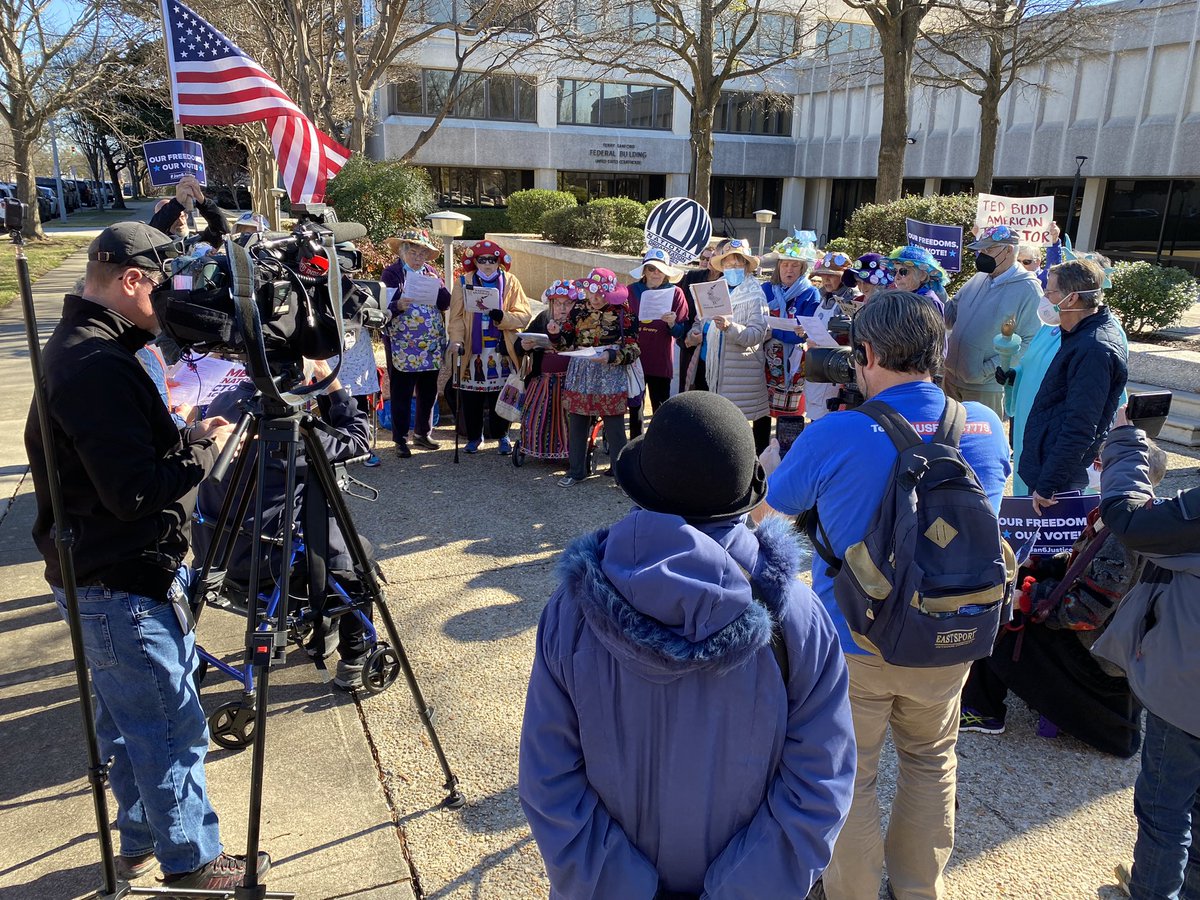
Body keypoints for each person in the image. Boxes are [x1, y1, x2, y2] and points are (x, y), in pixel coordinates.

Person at [519, 390, 855, 900]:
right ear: (747, 496)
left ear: (641, 489)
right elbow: (820, 784)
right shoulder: (798, 617)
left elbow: (548, 781)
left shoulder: (572, 610)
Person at [22, 222, 268, 890]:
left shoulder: (90, 347)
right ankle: (192, 859)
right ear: (132, 280)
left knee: (135, 726)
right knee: (169, 728)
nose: (169, 302)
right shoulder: (96, 364)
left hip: (110, 576)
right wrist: (199, 454)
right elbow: (130, 492)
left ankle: (139, 841)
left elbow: (109, 455)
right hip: (120, 581)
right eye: (164, 285)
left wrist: (178, 433)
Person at [760, 291, 1011, 900]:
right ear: (939, 350)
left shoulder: (840, 431)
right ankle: (918, 889)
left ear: (865, 353)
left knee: (850, 776)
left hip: (856, 638)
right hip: (951, 635)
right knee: (931, 761)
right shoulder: (984, 427)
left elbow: (764, 516)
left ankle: (851, 893)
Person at [959, 437, 1168, 755]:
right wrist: (1039, 565)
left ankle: (983, 710)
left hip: (1100, 652)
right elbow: (1084, 568)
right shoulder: (1137, 514)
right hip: (1116, 634)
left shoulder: (1122, 533)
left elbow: (1085, 612)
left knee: (1001, 612)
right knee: (1025, 578)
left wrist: (1026, 598)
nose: (1097, 468)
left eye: (1106, 463)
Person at [194, 359, 374, 688]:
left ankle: (323, 628)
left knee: (319, 539)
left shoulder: (220, 404)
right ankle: (356, 656)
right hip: (268, 566)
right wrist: (333, 386)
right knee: (355, 553)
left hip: (215, 555)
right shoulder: (291, 431)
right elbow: (360, 440)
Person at [1091, 411, 1200, 900]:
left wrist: (1127, 441)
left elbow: (1131, 520)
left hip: (1187, 687)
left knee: (1164, 809)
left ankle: (1154, 891)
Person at [1020, 258, 1128, 516]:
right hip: (1051, 466)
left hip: (1060, 481)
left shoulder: (1094, 349)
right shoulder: (1079, 335)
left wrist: (1049, 484)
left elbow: (1081, 426)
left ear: (1071, 299)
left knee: (1053, 556)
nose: (1044, 298)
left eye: (1050, 292)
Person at [548, 267, 640, 487]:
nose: (596, 298)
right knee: (577, 421)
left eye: (601, 294)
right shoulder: (578, 308)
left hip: (610, 373)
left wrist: (611, 355)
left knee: (615, 428)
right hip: (581, 370)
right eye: (592, 293)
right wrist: (554, 334)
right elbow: (565, 343)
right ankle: (576, 471)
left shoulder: (622, 311)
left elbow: (634, 348)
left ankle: (622, 477)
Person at [942, 225, 1043, 419]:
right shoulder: (978, 278)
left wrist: (986, 370)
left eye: (989, 250)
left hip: (985, 388)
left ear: (1009, 250)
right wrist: (936, 288)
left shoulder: (1029, 290)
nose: (982, 255)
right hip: (951, 379)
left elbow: (1030, 342)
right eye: (981, 250)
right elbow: (950, 318)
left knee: (977, 445)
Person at [684, 239, 771, 453]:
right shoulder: (713, 290)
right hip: (708, 368)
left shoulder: (755, 295)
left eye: (738, 264)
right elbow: (700, 320)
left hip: (738, 375)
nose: (733, 269)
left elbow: (757, 334)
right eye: (729, 265)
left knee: (734, 430)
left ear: (747, 267)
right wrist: (695, 332)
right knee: (711, 424)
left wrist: (730, 327)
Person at [448, 239, 532, 454]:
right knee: (471, 396)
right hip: (472, 347)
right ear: (475, 261)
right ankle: (475, 437)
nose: (487, 264)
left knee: (502, 394)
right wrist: (456, 339)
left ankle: (502, 435)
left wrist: (504, 317)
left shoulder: (511, 281)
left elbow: (524, 315)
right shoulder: (463, 282)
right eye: (482, 260)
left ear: (499, 262)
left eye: (492, 260)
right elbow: (456, 316)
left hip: (501, 347)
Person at [381, 229, 451, 457]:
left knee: (429, 389)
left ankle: (423, 433)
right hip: (403, 342)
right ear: (402, 252)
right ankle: (400, 439)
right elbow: (382, 307)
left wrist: (438, 285)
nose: (418, 258)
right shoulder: (391, 274)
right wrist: (396, 306)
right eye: (413, 252)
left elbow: (445, 303)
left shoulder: (431, 272)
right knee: (401, 391)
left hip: (430, 341)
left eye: (422, 253)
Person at [627, 247, 689, 436]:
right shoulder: (631, 291)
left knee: (660, 408)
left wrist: (672, 323)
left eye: (660, 269)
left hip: (661, 360)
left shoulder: (676, 293)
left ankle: (657, 447)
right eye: (651, 268)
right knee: (635, 406)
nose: (656, 273)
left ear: (667, 272)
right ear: (644, 271)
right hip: (635, 358)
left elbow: (681, 332)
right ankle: (635, 447)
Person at [512, 281, 574, 463]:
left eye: (567, 303)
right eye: (557, 303)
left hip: (570, 381)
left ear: (576, 304)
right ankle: (531, 446)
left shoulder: (580, 322)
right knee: (535, 416)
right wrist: (523, 345)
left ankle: (567, 452)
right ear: (551, 304)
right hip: (542, 379)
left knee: (566, 419)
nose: (562, 308)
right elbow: (519, 344)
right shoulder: (542, 319)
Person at [762, 232, 821, 424]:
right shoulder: (766, 289)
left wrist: (777, 331)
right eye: (785, 264)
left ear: (803, 268)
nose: (789, 269)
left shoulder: (811, 293)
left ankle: (789, 451)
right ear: (778, 267)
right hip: (767, 357)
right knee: (762, 410)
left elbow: (806, 329)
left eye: (795, 265)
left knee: (791, 415)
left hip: (796, 359)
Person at [677, 240, 727, 394]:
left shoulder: (728, 282)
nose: (710, 260)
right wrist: (686, 336)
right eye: (705, 258)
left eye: (715, 256)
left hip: (712, 347)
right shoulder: (693, 276)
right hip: (689, 340)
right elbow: (681, 308)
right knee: (686, 387)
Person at [149, 174, 228, 249]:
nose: (180, 221)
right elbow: (153, 231)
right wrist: (177, 203)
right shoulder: (157, 245)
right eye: (175, 218)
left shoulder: (199, 240)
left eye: (182, 216)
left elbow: (222, 229)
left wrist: (202, 202)